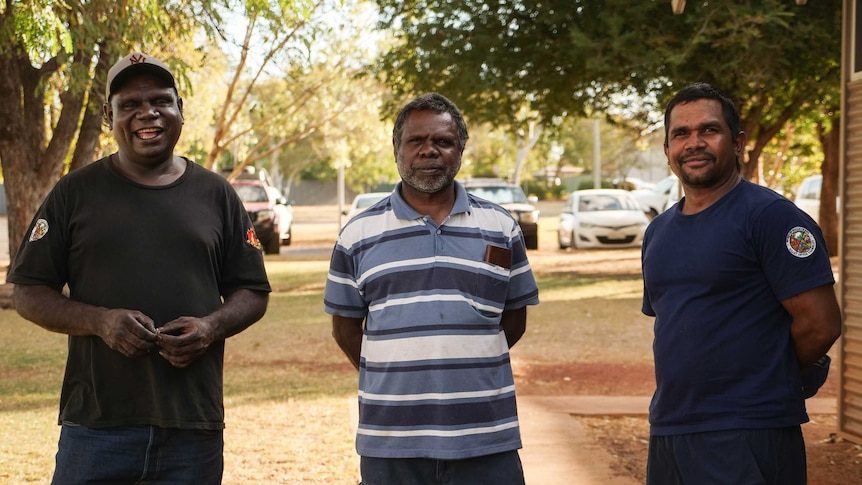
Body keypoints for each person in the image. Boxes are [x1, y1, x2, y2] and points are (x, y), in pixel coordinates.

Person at [7, 52, 271, 484]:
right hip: (96, 426)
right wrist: (100, 321)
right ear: (108, 116)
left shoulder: (217, 194)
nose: (147, 113)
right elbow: (28, 292)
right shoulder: (75, 192)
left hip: (192, 427)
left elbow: (252, 291)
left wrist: (211, 327)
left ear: (180, 109)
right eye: (129, 105)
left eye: (160, 101)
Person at [324, 93, 540, 485]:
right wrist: (399, 370)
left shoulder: (501, 227)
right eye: (416, 141)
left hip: (486, 439)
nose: (429, 151)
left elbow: (514, 320)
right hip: (392, 441)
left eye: (442, 141)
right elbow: (345, 329)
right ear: (397, 149)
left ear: (460, 150)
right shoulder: (357, 234)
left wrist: (462, 365)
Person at [641, 82, 842, 484]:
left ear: (738, 142)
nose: (693, 143)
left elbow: (821, 324)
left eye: (708, 130)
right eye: (681, 134)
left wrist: (771, 375)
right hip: (671, 428)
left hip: (748, 429)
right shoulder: (657, 232)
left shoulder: (773, 218)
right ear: (667, 150)